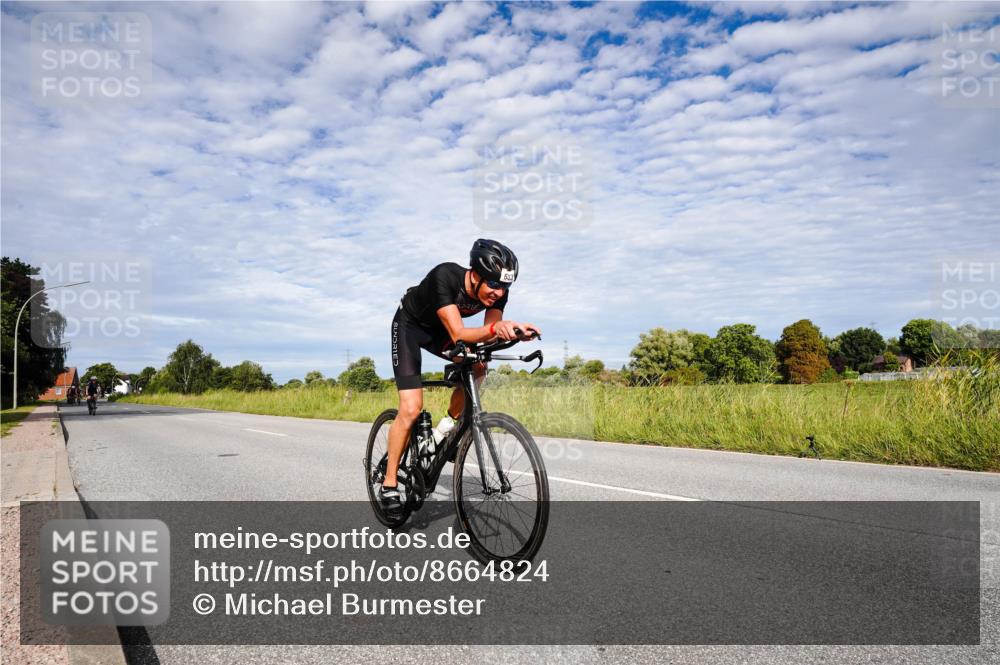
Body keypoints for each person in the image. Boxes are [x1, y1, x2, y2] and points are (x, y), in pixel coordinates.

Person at [381, 239, 541, 514]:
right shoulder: (445, 276)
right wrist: (498, 328)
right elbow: (459, 334)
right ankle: (389, 483)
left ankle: (442, 433)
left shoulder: (498, 292)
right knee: (410, 408)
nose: (498, 292)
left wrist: (514, 334)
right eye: (493, 284)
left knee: (479, 366)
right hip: (410, 327)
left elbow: (487, 337)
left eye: (504, 287)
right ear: (475, 275)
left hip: (441, 332)